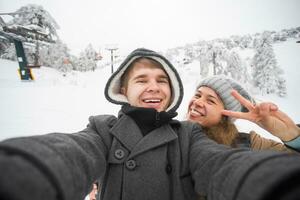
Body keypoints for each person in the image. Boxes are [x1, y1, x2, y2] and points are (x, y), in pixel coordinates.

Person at [1, 48, 300, 200]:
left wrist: (284, 140)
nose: (154, 87)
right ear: (124, 92)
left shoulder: (191, 136)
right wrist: (23, 172)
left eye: (211, 100)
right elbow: (72, 153)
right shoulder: (102, 129)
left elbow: (222, 165)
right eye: (141, 80)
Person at [187, 75, 300, 151]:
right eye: (197, 95)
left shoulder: (250, 145)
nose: (197, 102)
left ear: (227, 115)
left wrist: (292, 137)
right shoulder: (172, 135)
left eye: (210, 101)